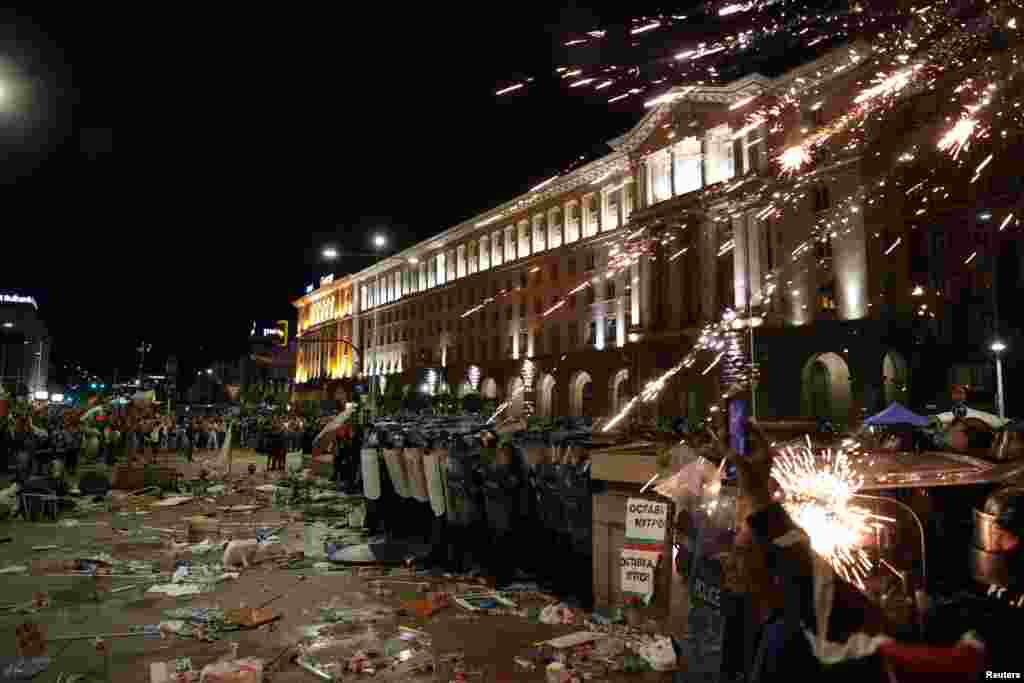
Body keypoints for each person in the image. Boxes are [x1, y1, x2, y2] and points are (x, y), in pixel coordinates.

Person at [721, 421, 988, 682]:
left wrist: (758, 494)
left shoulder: (800, 640)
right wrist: (757, 495)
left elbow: (820, 587)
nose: (730, 562)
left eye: (741, 553)